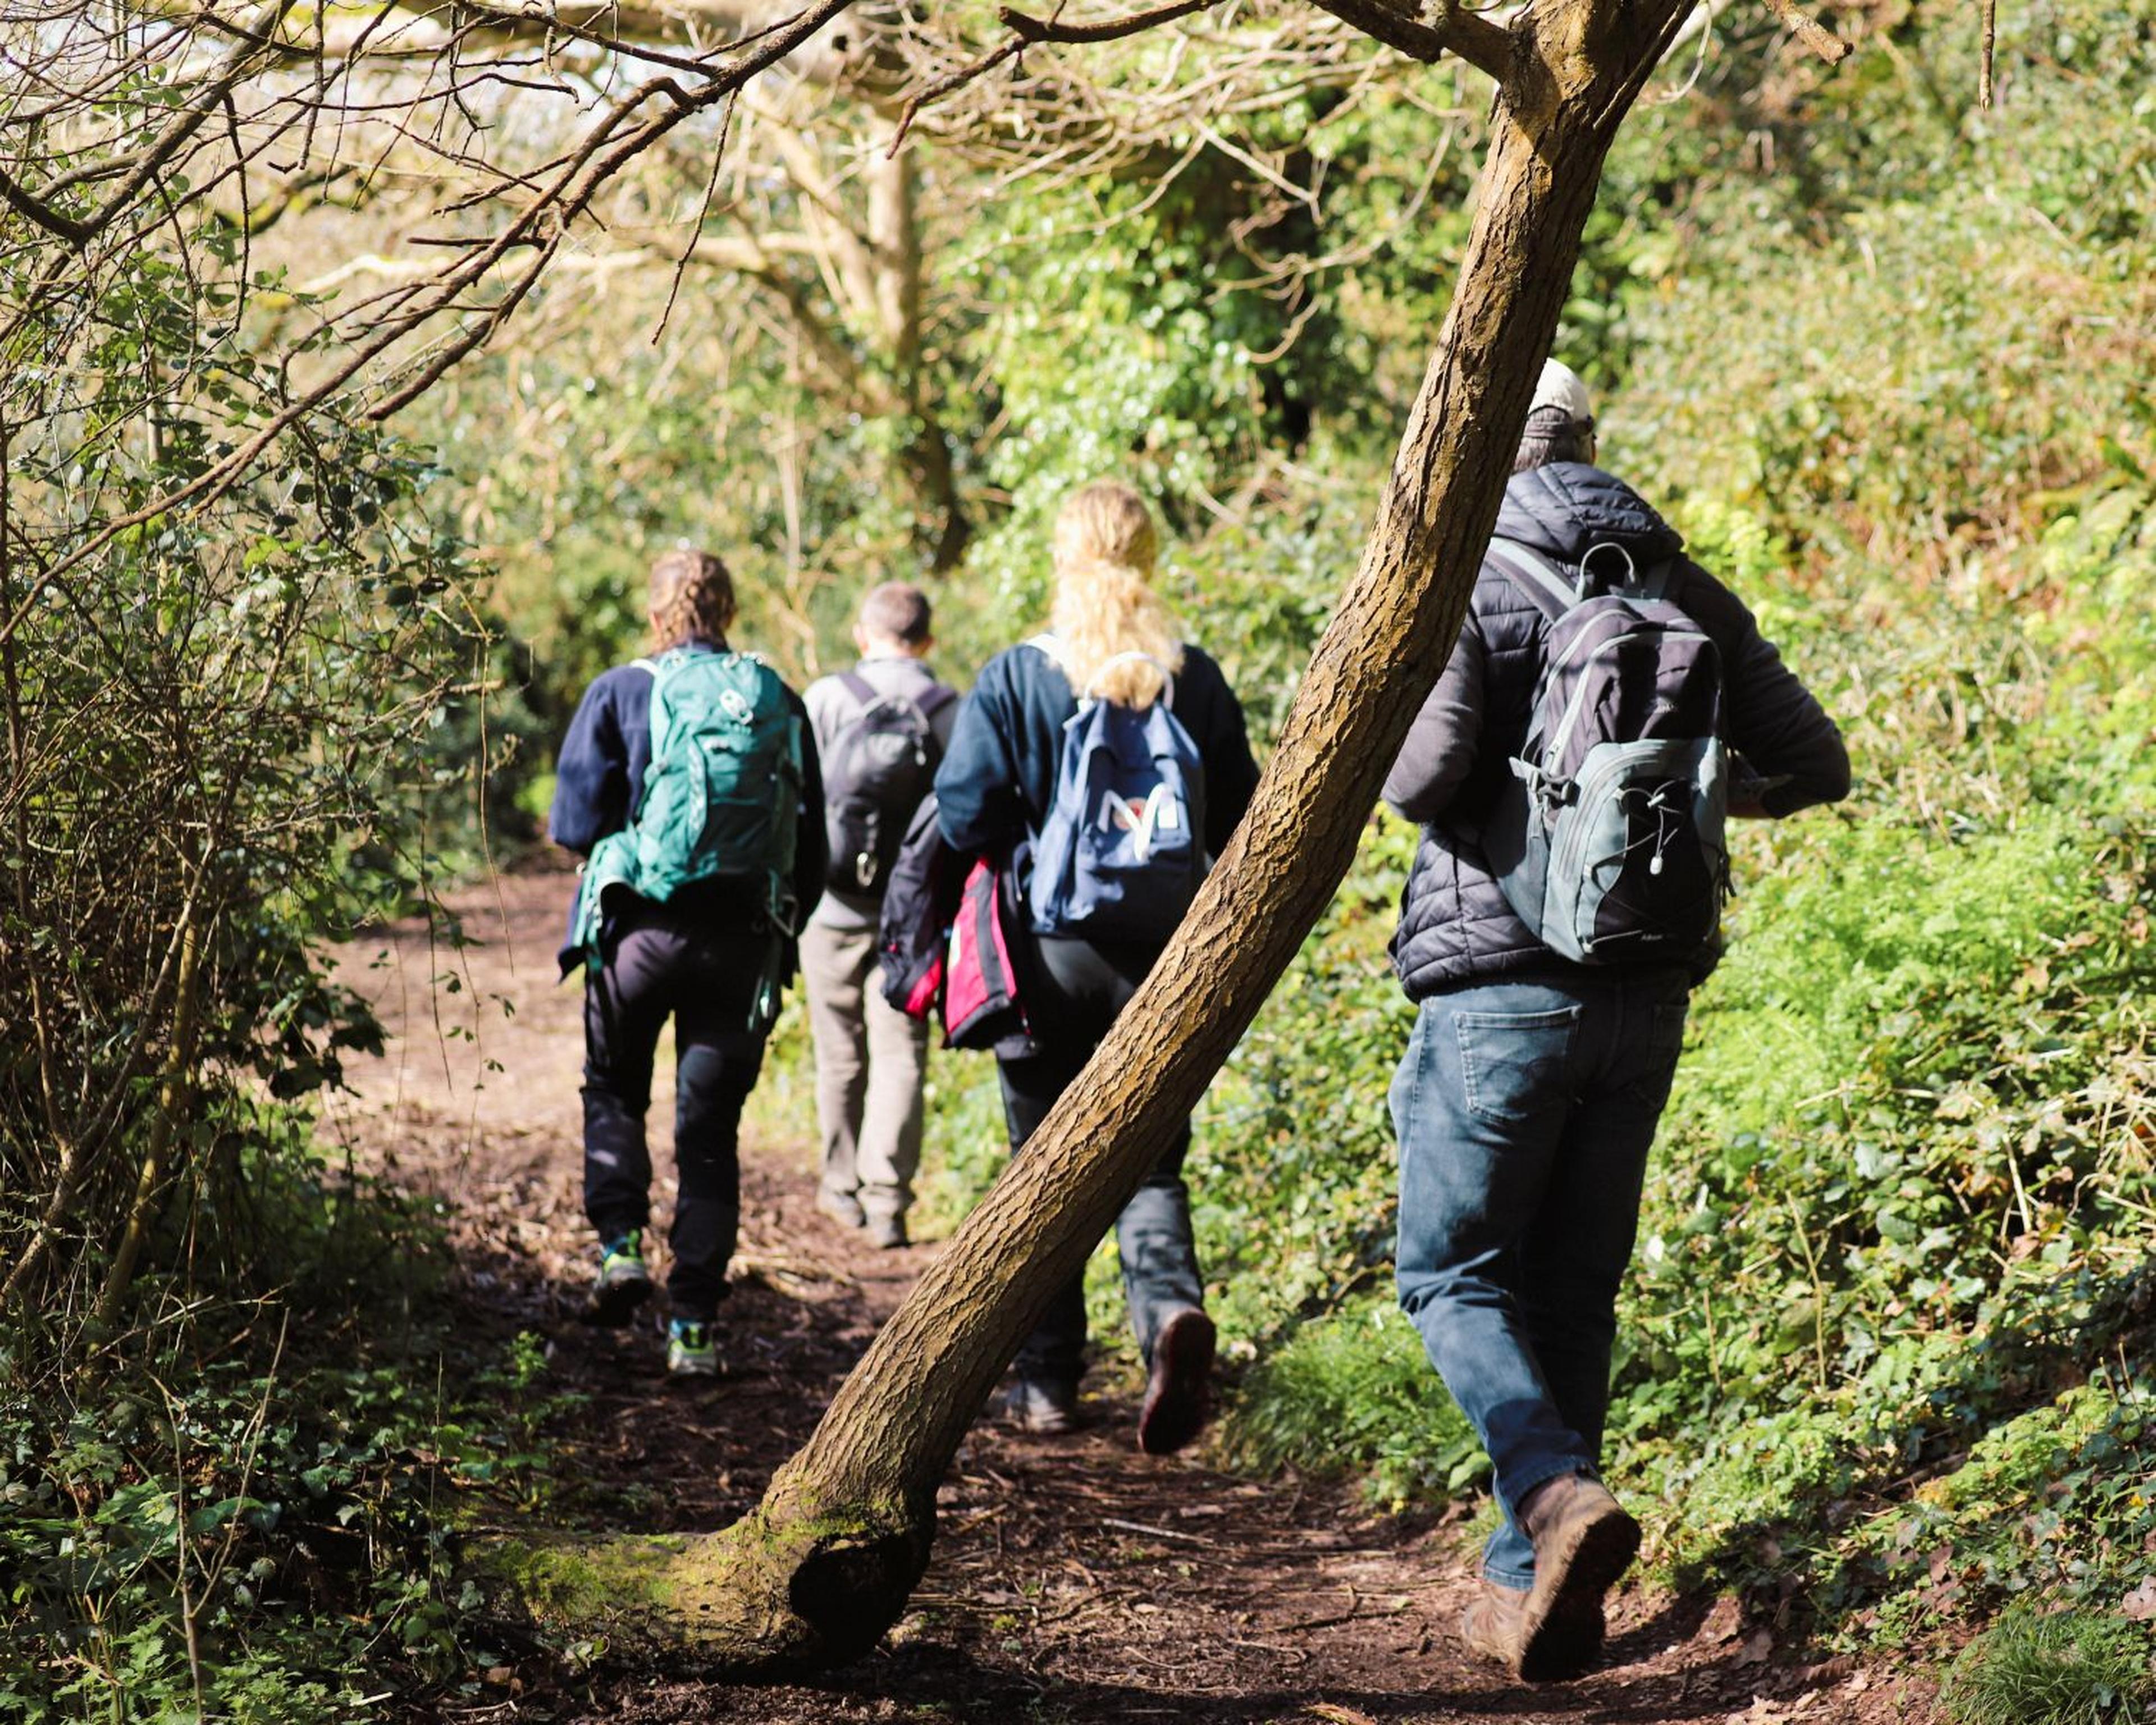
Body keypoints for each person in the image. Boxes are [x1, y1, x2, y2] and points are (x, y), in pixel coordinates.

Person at [1382, 359, 1851, 1680]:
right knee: (1573, 1284)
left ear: (1487, 445)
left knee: (1450, 1270)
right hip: (1644, 992)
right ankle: (1534, 1581)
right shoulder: (1678, 583)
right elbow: (1816, 764)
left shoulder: (1468, 574)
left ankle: (1544, 1495)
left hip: (1498, 985)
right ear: (1591, 441)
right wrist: (1683, 801)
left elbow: (1423, 771)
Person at [935, 480, 1260, 1455]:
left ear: (1061, 555)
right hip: (1163, 962)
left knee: (1042, 1166)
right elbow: (1247, 810)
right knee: (1150, 1163)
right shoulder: (1190, 675)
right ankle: (1167, 1313)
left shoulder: (1019, 676)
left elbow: (964, 814)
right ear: (1149, 556)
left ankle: (1047, 1387)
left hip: (1045, 956)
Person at [549, 548, 826, 1378]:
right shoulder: (776, 698)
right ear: (728, 611)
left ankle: (623, 1248)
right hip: (741, 942)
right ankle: (696, 1330)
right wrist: (783, 932)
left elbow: (573, 824)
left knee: (615, 1089)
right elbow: (812, 845)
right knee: (710, 1138)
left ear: (658, 613)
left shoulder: (623, 689)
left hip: (640, 934)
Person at [801, 582, 959, 1249]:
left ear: (862, 635)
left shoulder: (827, 698)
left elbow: (801, 803)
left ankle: (841, 1190)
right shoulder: (953, 708)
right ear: (928, 640)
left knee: (839, 1053)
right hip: (912, 916)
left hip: (832, 905)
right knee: (902, 1056)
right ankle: (889, 1204)